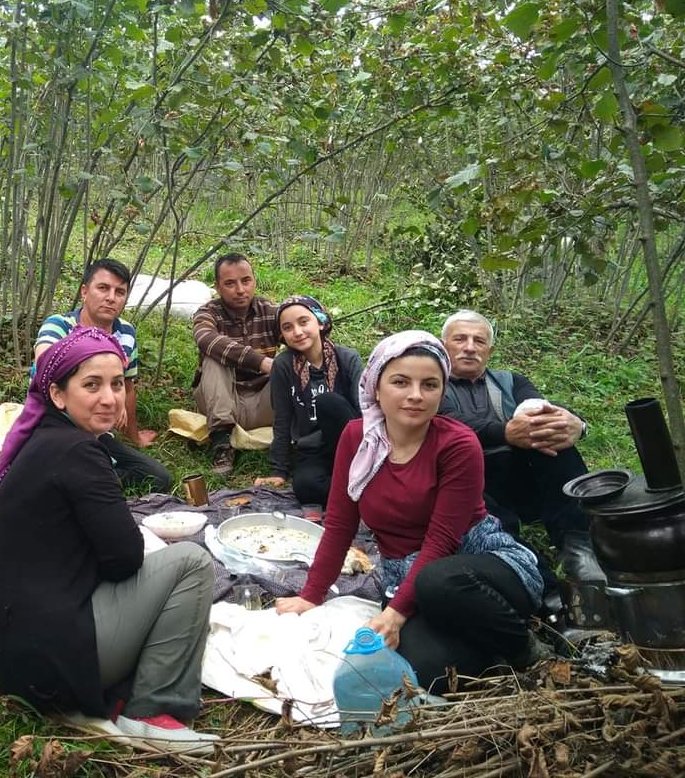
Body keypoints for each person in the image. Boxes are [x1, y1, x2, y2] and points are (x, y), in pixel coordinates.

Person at [0, 327, 217, 754]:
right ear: (57, 394)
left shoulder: (43, 440)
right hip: (56, 665)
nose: (109, 398)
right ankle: (153, 711)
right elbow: (125, 559)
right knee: (191, 562)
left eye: (116, 383)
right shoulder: (79, 452)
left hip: (18, 658)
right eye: (91, 385)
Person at [276, 331, 545, 693]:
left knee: (437, 582)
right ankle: (487, 646)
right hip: (408, 575)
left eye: (430, 385)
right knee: (421, 670)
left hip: (478, 565)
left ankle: (529, 651)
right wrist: (312, 595)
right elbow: (340, 523)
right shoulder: (357, 438)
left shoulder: (458, 444)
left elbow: (443, 539)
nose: (416, 395)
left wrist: (395, 613)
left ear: (442, 391)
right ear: (376, 386)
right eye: (401, 382)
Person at [438, 310, 600, 586]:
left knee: (550, 438)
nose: (469, 347)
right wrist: (506, 432)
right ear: (443, 346)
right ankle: (528, 564)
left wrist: (577, 424)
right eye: (460, 339)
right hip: (470, 485)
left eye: (479, 341)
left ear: (490, 350)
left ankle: (577, 545)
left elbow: (542, 408)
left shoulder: (512, 382)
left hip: (523, 481)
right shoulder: (432, 384)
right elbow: (447, 423)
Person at [35, 258, 171, 493]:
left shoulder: (126, 332)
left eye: (120, 292)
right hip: (54, 426)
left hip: (96, 431)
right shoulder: (59, 325)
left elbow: (127, 387)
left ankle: (91, 482)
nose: (111, 297)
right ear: (85, 292)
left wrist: (134, 436)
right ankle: (86, 482)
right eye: (103, 288)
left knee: (158, 477)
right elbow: (46, 365)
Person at [254, 296, 362, 512]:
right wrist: (279, 471)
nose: (297, 331)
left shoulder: (347, 357)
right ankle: (358, 493)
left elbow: (364, 409)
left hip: (350, 446)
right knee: (305, 487)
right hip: (312, 450)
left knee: (328, 403)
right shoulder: (284, 366)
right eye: (288, 327)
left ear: (320, 322)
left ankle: (361, 479)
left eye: (304, 322)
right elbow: (282, 418)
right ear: (282, 335)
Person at [192, 253, 278, 474]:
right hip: (221, 402)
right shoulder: (208, 313)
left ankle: (297, 441)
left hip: (264, 404)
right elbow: (205, 338)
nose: (240, 290)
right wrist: (261, 362)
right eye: (230, 283)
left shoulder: (269, 311)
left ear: (254, 281)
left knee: (292, 358)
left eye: (246, 281)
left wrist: (312, 322)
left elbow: (302, 331)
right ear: (218, 287)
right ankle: (222, 442)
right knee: (214, 355)